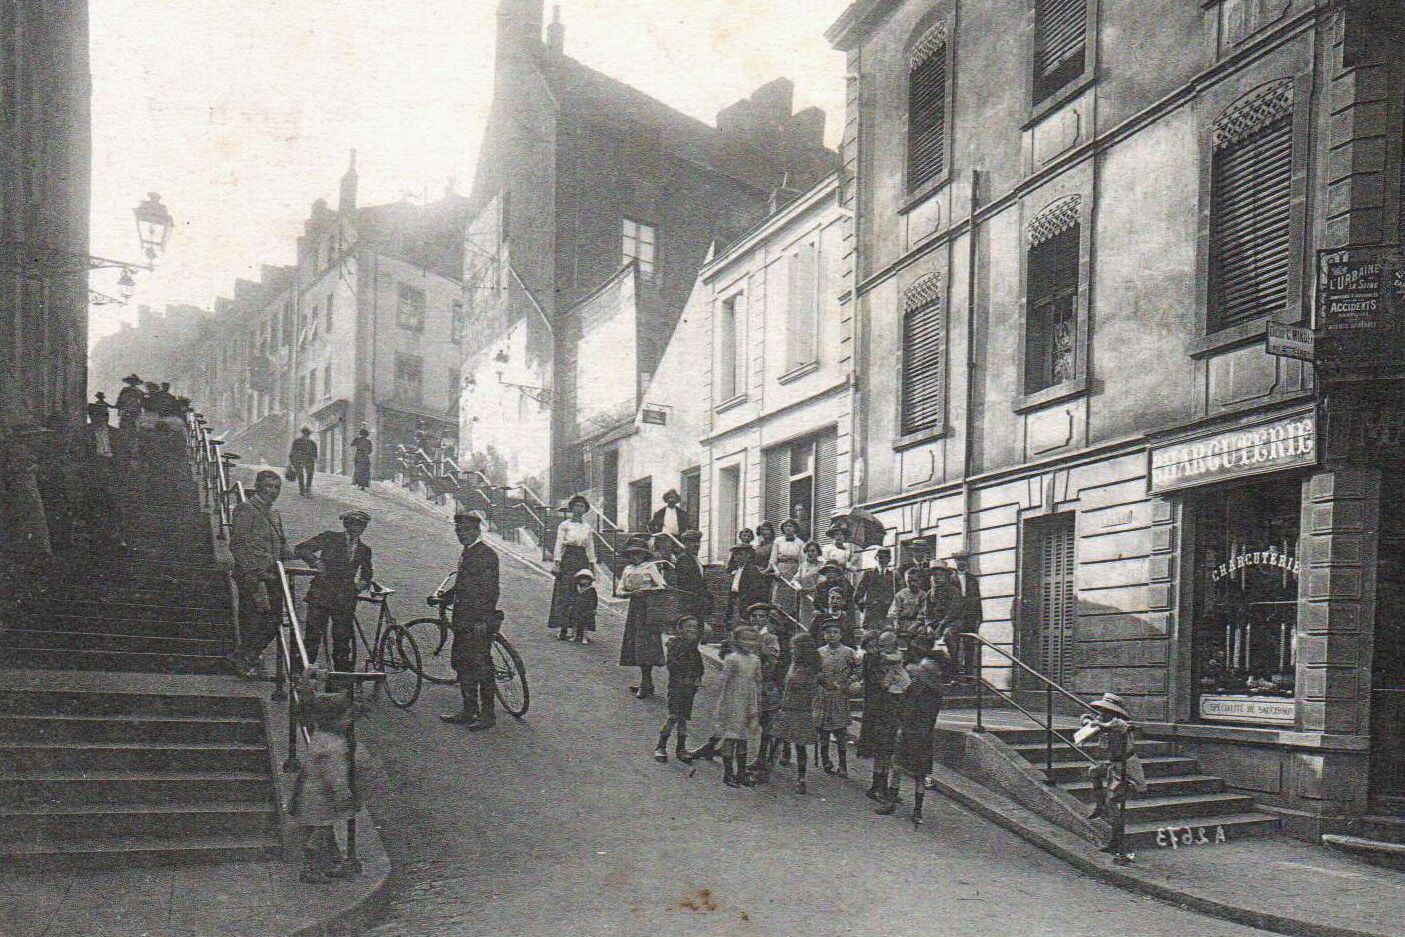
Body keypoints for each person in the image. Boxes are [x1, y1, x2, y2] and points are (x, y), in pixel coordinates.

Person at [227, 470, 294, 678]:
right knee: (253, 621)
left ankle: (243, 657)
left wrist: (306, 554)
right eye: (268, 486)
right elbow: (237, 544)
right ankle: (245, 661)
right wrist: (251, 575)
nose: (273, 492)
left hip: (272, 576)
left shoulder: (274, 513)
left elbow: (281, 545)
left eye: (276, 488)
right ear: (258, 486)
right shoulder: (246, 509)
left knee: (273, 622)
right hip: (253, 577)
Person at [439, 513, 502, 729]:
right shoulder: (468, 552)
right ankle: (469, 710)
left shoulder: (486, 555)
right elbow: (463, 585)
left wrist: (482, 619)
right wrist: (444, 596)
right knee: (462, 662)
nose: (461, 535)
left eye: (465, 531)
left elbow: (490, 591)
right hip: (463, 619)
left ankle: (488, 715)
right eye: (458, 531)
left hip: (477, 621)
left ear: (477, 531)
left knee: (481, 666)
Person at [877, 637, 950, 826]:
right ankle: (902, 806)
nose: (919, 672)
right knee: (904, 769)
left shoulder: (929, 692)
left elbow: (915, 712)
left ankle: (908, 808)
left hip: (918, 734)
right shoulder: (921, 688)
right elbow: (903, 707)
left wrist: (905, 723)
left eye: (924, 670)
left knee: (911, 772)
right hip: (915, 733)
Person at [294, 510, 374, 681]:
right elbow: (301, 548)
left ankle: (341, 682)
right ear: (345, 524)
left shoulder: (364, 550)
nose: (355, 528)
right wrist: (315, 562)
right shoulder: (330, 537)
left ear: (364, 528)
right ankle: (301, 678)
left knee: (342, 642)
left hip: (345, 600)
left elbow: (367, 574)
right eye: (352, 524)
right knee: (312, 637)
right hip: (321, 594)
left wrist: (360, 585)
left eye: (360, 525)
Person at [289, 691, 356, 883]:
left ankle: (330, 863)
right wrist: (343, 795)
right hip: (322, 797)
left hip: (309, 791)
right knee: (322, 830)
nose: (349, 721)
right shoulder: (335, 745)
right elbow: (334, 775)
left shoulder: (319, 735)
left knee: (321, 828)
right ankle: (311, 867)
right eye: (346, 717)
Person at [1079, 693, 1146, 865]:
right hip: (1112, 764)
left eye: (1105, 710)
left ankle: (1115, 841)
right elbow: (1086, 719)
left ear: (1114, 712)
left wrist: (1098, 723)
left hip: (1125, 767)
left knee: (1114, 804)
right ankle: (1099, 805)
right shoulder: (1105, 723)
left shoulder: (1119, 724)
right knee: (1093, 772)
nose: (1101, 712)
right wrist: (1088, 721)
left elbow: (1114, 726)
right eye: (1100, 710)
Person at [859, 629, 910, 805]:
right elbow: (880, 684)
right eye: (876, 646)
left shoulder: (885, 661)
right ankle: (877, 787)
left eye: (883, 646)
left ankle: (883, 787)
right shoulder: (872, 662)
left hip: (889, 709)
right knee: (882, 749)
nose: (879, 650)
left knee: (888, 750)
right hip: (879, 711)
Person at [617, 535, 668, 698]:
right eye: (632, 554)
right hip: (635, 608)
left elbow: (662, 586)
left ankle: (646, 682)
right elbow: (619, 590)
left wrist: (648, 591)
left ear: (644, 554)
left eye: (638, 553)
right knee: (636, 645)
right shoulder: (628, 569)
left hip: (649, 608)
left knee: (646, 645)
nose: (635, 556)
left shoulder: (650, 567)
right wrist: (630, 593)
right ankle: (646, 682)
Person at [770, 632, 821, 794]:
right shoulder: (794, 665)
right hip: (787, 708)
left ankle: (801, 778)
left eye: (794, 648)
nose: (792, 651)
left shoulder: (808, 670)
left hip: (800, 711)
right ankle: (767, 770)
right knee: (778, 740)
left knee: (799, 746)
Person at [713, 624, 762, 788]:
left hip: (748, 700)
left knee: (743, 739)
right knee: (731, 737)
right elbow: (723, 681)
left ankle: (741, 773)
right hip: (733, 702)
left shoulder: (755, 660)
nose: (749, 643)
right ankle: (728, 774)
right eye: (745, 639)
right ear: (736, 640)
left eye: (752, 640)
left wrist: (756, 704)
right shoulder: (732, 659)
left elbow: (757, 680)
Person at [654, 616, 705, 763]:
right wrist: (686, 675)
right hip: (677, 686)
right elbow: (673, 665)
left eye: (694, 627)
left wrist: (698, 677)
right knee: (674, 716)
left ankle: (681, 748)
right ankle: (661, 746)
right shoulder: (675, 645)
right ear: (680, 629)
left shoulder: (694, 648)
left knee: (683, 718)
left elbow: (699, 666)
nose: (691, 630)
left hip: (690, 688)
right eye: (688, 626)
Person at [813, 619, 858, 778]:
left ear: (841, 635)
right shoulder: (819, 652)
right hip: (823, 695)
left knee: (840, 731)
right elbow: (815, 671)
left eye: (835, 632)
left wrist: (848, 682)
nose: (831, 635)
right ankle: (826, 760)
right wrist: (821, 680)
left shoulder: (848, 652)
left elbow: (858, 670)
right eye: (828, 632)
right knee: (823, 730)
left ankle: (843, 765)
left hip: (839, 695)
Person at [549, 495, 597, 641]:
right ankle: (563, 628)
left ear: (585, 510)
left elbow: (589, 546)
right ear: (571, 508)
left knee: (581, 595)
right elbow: (559, 544)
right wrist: (557, 562)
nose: (578, 509)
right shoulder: (564, 525)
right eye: (576, 506)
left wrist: (592, 563)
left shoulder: (587, 527)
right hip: (568, 559)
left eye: (582, 506)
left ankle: (580, 630)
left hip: (581, 560)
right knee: (565, 593)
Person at [939, 550, 983, 678]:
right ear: (956, 562)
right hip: (955, 617)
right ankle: (955, 674)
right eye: (959, 560)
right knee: (953, 645)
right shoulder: (950, 579)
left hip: (970, 617)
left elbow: (977, 599)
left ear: (967, 562)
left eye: (964, 560)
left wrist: (979, 618)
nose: (961, 563)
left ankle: (969, 676)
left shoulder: (972, 579)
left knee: (969, 647)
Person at [724, 540, 770, 631]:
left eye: (740, 554)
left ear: (748, 555)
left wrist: (745, 602)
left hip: (746, 604)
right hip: (736, 602)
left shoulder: (752, 570)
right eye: (735, 555)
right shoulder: (738, 570)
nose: (736, 557)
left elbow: (756, 591)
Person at [855, 548, 898, 636]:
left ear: (889, 560)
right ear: (876, 559)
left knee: (886, 639)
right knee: (870, 640)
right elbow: (857, 596)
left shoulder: (893, 576)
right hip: (871, 616)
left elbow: (898, 596)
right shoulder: (868, 574)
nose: (882, 560)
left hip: (887, 616)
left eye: (885, 557)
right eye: (880, 557)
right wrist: (866, 608)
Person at [672, 530, 709, 621]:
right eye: (692, 542)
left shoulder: (695, 559)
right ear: (685, 544)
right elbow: (685, 583)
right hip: (690, 602)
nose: (696, 545)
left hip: (698, 603)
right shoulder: (684, 559)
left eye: (698, 542)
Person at [648, 489, 691, 558]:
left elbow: (688, 526)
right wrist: (657, 534)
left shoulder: (682, 513)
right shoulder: (659, 513)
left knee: (679, 556)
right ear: (666, 500)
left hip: (677, 538)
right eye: (669, 498)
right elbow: (650, 525)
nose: (671, 500)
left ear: (676, 500)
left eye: (673, 498)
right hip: (664, 538)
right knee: (665, 557)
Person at [888, 567, 929, 638]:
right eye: (909, 581)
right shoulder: (900, 594)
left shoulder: (923, 596)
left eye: (915, 580)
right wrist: (895, 624)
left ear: (920, 580)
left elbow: (923, 615)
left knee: (922, 632)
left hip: (916, 625)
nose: (912, 584)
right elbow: (893, 613)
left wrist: (914, 627)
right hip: (900, 624)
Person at [767, 519, 805, 584]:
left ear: (795, 528)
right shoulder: (778, 540)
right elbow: (773, 559)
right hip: (781, 570)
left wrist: (799, 574)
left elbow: (802, 561)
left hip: (794, 570)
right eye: (785, 526)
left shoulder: (800, 542)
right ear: (783, 528)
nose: (788, 528)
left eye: (790, 526)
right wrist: (776, 570)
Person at [568, 569, 598, 644]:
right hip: (576, 608)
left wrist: (594, 609)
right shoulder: (576, 588)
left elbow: (594, 600)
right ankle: (573, 635)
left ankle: (584, 637)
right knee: (574, 622)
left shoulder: (591, 589)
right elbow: (572, 596)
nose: (584, 581)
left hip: (586, 609)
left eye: (586, 579)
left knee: (585, 624)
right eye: (582, 579)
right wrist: (571, 604)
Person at [289, 427, 319, 497]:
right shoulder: (310, 442)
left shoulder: (299, 441)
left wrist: (291, 460)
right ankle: (305, 490)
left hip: (303, 460)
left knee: (304, 475)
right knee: (305, 475)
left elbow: (292, 452)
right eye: (305, 434)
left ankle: (304, 490)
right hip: (303, 460)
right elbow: (315, 453)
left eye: (306, 434)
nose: (305, 435)